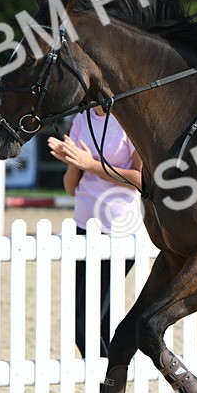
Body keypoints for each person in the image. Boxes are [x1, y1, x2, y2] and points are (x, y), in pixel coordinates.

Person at [47, 107, 142, 359]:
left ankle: (109, 390)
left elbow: (141, 179)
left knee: (84, 323)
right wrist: (73, 164)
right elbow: (71, 188)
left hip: (118, 231)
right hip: (82, 227)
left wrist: (92, 164)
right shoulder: (82, 118)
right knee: (98, 321)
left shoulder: (129, 118)